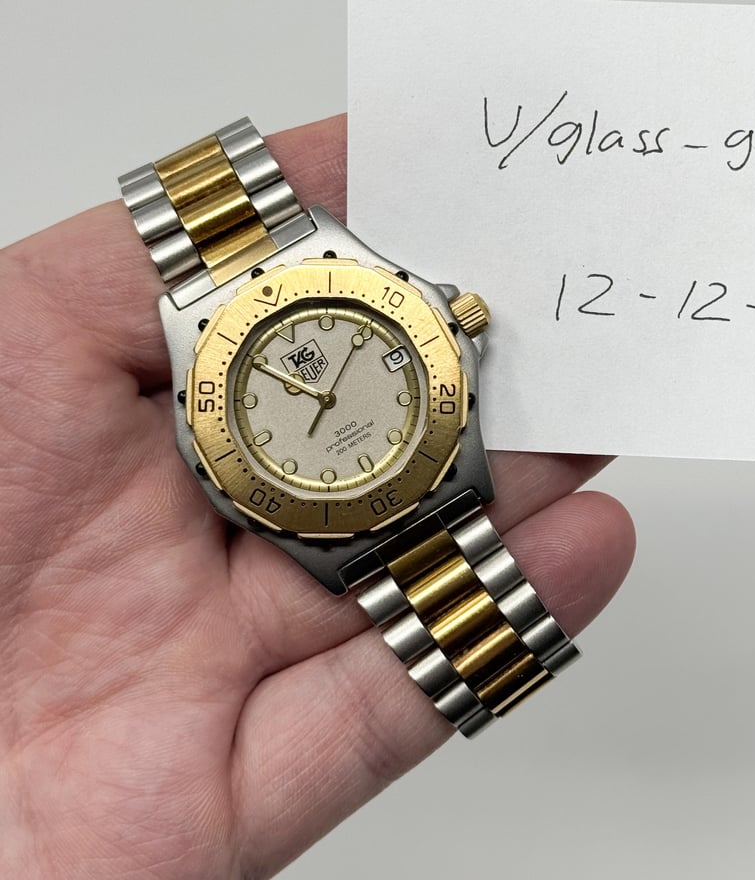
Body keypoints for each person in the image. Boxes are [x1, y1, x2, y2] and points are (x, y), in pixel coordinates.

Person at [0, 114, 635, 878]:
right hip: (351, 506)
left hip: (390, 486)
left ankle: (494, 667)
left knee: (514, 622)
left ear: (451, 324)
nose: (326, 402)